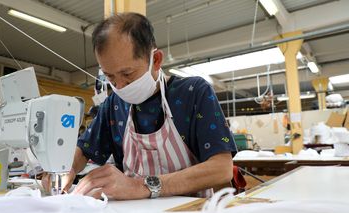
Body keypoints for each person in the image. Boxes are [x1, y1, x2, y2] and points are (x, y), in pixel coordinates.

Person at [63, 13, 237, 200]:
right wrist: (65, 168)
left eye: (127, 73)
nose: (119, 86)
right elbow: (84, 150)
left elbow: (221, 168)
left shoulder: (193, 93)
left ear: (156, 60)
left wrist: (141, 186)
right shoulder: (114, 105)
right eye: (110, 77)